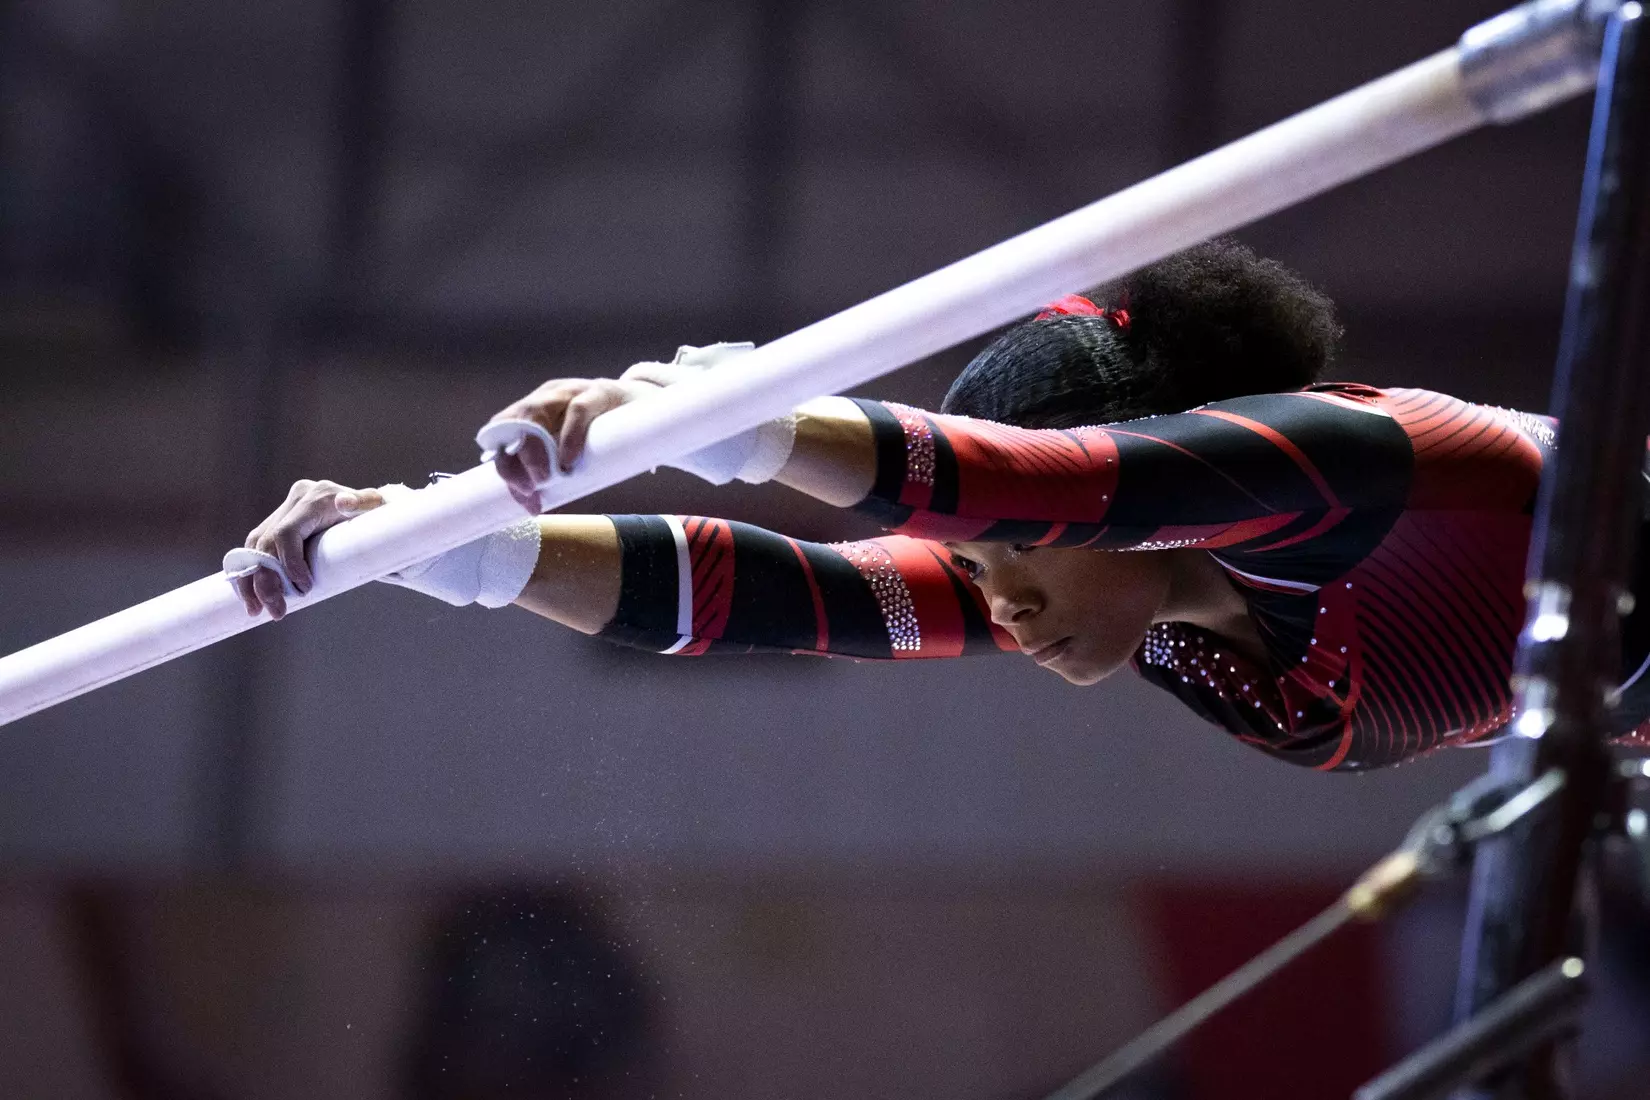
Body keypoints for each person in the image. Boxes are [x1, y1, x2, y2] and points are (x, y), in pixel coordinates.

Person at [234, 239, 1650, 772]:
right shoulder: (1140, 609)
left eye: (1008, 564)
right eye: (981, 572)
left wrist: (749, 415)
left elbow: (1037, 490)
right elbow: (798, 597)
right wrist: (461, 549)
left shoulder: (1349, 464)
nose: (998, 599)